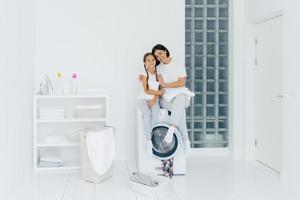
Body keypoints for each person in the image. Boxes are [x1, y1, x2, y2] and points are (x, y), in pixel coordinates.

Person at [152, 44, 193, 152]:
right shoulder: (159, 68)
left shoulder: (178, 63)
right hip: (166, 98)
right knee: (179, 111)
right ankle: (186, 140)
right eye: (157, 56)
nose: (159, 57)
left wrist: (166, 85)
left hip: (180, 94)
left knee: (179, 100)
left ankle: (172, 129)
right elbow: (161, 85)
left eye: (160, 53)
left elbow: (182, 82)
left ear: (165, 51)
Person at [138, 52, 163, 155]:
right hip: (143, 99)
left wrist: (155, 98)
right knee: (147, 114)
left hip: (154, 99)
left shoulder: (159, 74)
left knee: (156, 113)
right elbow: (146, 90)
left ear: (155, 61)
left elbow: (162, 88)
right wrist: (159, 93)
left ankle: (147, 135)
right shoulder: (143, 74)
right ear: (145, 63)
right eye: (148, 60)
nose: (151, 62)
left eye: (153, 60)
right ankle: (148, 141)